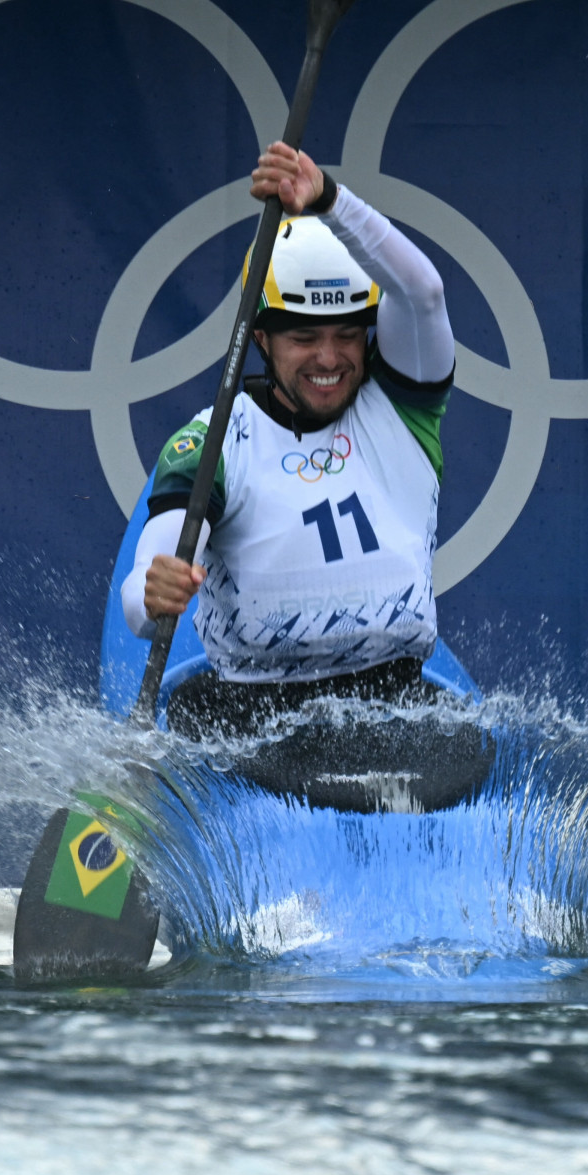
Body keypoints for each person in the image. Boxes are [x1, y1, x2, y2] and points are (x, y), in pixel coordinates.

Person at [120, 141, 461, 754]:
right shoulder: (211, 442)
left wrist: (330, 200)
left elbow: (424, 294)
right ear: (261, 339)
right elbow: (144, 590)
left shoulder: (404, 406)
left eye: (346, 335)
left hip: (398, 712)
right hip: (255, 724)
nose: (329, 358)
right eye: (304, 337)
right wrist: (152, 592)